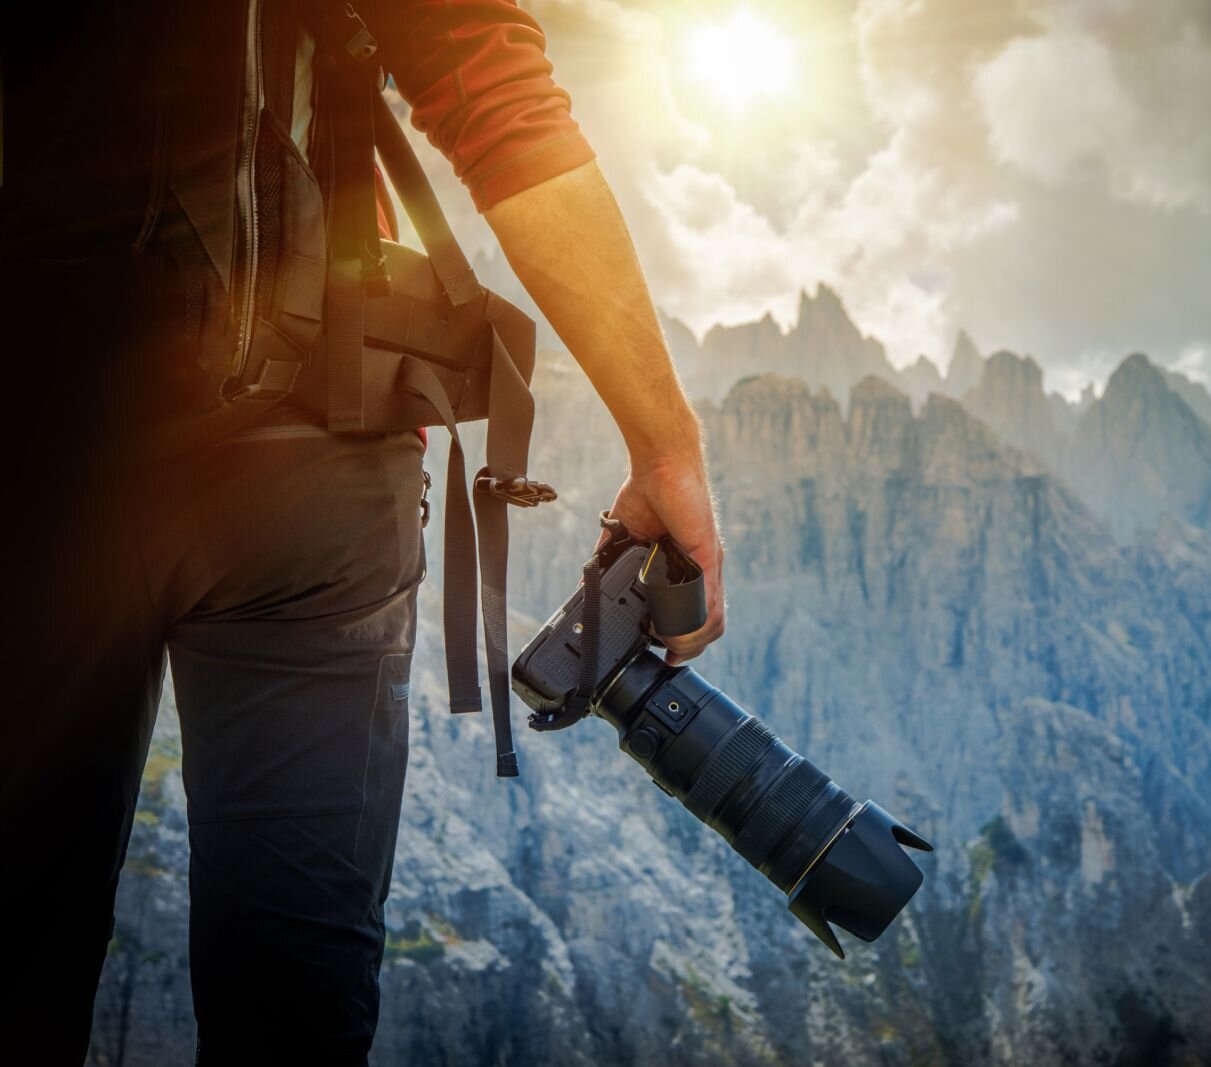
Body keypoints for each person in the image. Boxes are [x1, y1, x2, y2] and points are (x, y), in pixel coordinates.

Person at [0, 1, 723, 1061]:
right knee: (296, 1001)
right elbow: (494, 96)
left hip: (38, 447)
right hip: (311, 444)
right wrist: (665, 446)